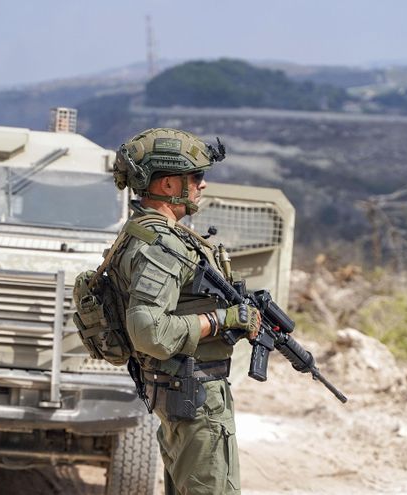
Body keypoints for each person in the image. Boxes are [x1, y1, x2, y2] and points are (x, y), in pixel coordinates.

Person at [107, 128, 261, 494]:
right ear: (168, 186)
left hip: (184, 394)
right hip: (196, 401)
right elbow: (150, 332)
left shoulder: (156, 235)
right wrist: (222, 320)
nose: (203, 185)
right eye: (197, 176)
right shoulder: (159, 245)